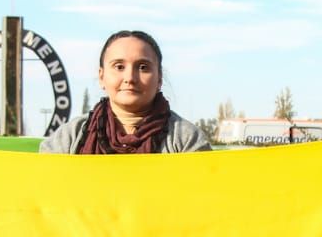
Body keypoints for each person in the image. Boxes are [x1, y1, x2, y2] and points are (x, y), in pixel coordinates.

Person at [40, 30, 211, 154]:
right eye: (119, 67)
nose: (130, 77)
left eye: (143, 67)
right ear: (101, 76)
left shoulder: (186, 139)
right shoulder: (70, 137)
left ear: (159, 78)